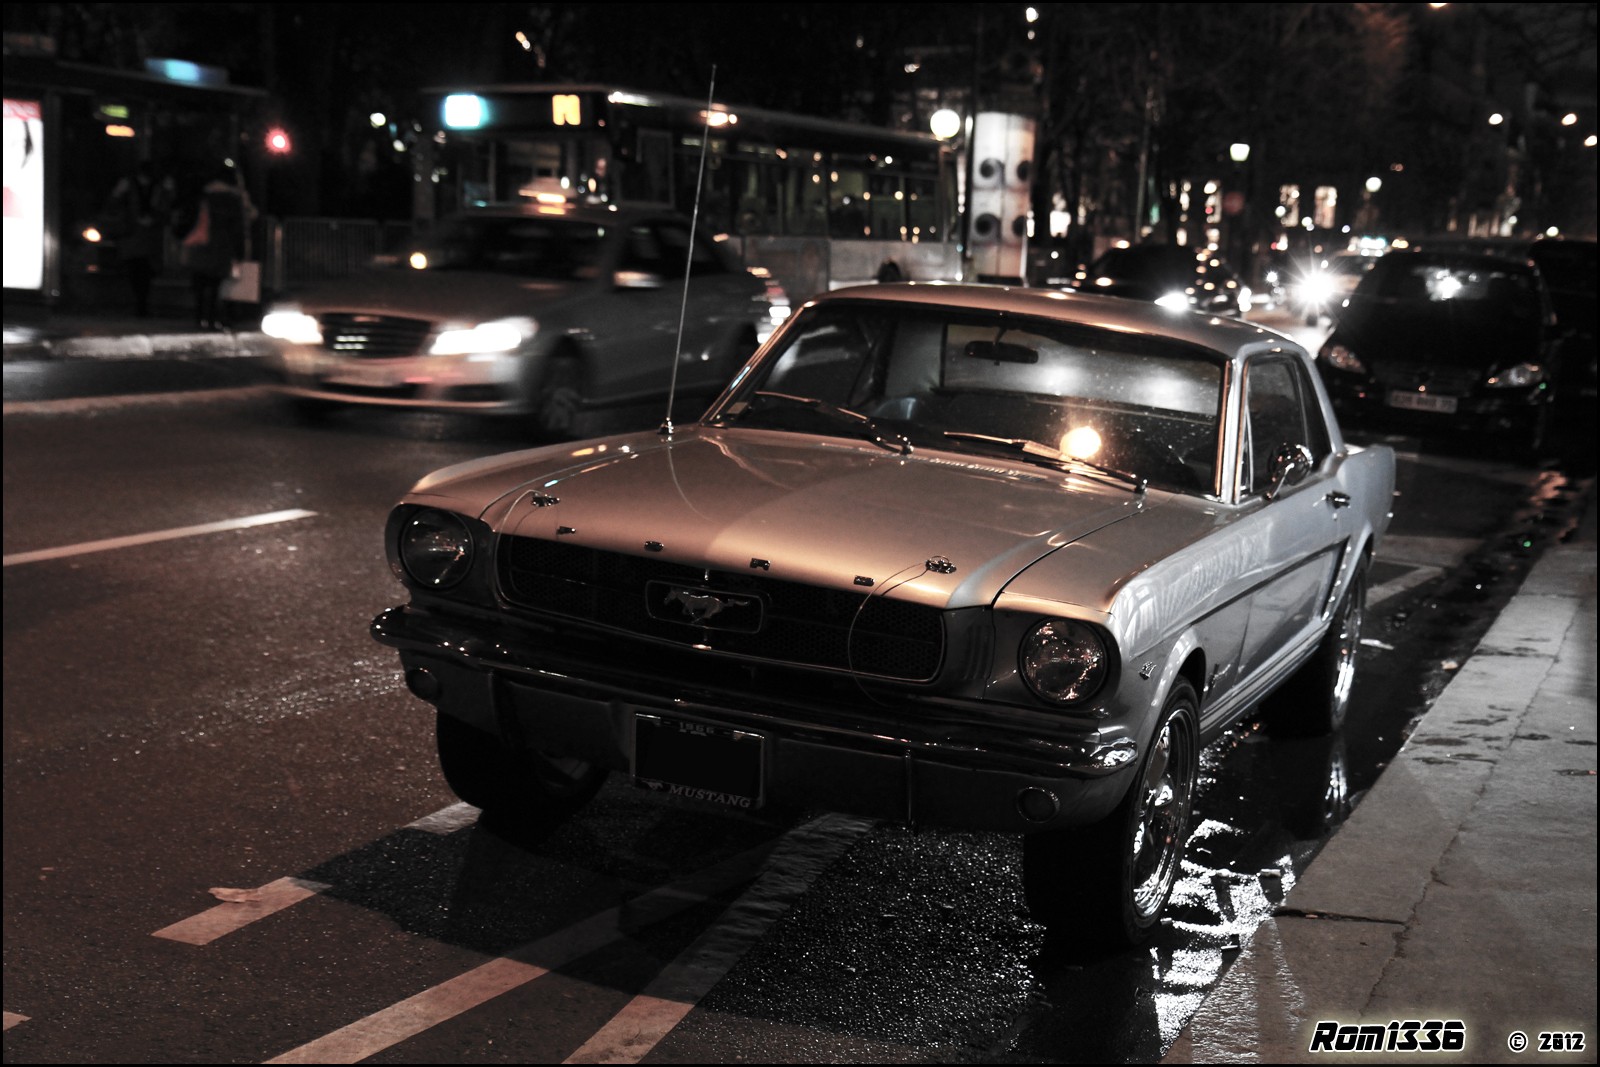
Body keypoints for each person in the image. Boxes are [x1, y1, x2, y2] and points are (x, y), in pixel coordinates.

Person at [180, 164, 257, 329]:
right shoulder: (233, 199)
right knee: (217, 285)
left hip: (199, 243)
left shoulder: (202, 195)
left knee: (200, 282)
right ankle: (214, 318)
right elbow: (237, 227)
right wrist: (240, 252)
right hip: (222, 245)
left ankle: (199, 317)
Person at [105, 163, 175, 317]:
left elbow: (165, 208)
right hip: (134, 233)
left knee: (145, 270)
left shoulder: (157, 187)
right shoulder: (131, 186)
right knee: (135, 269)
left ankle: (142, 304)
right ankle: (140, 304)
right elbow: (115, 205)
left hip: (147, 235)